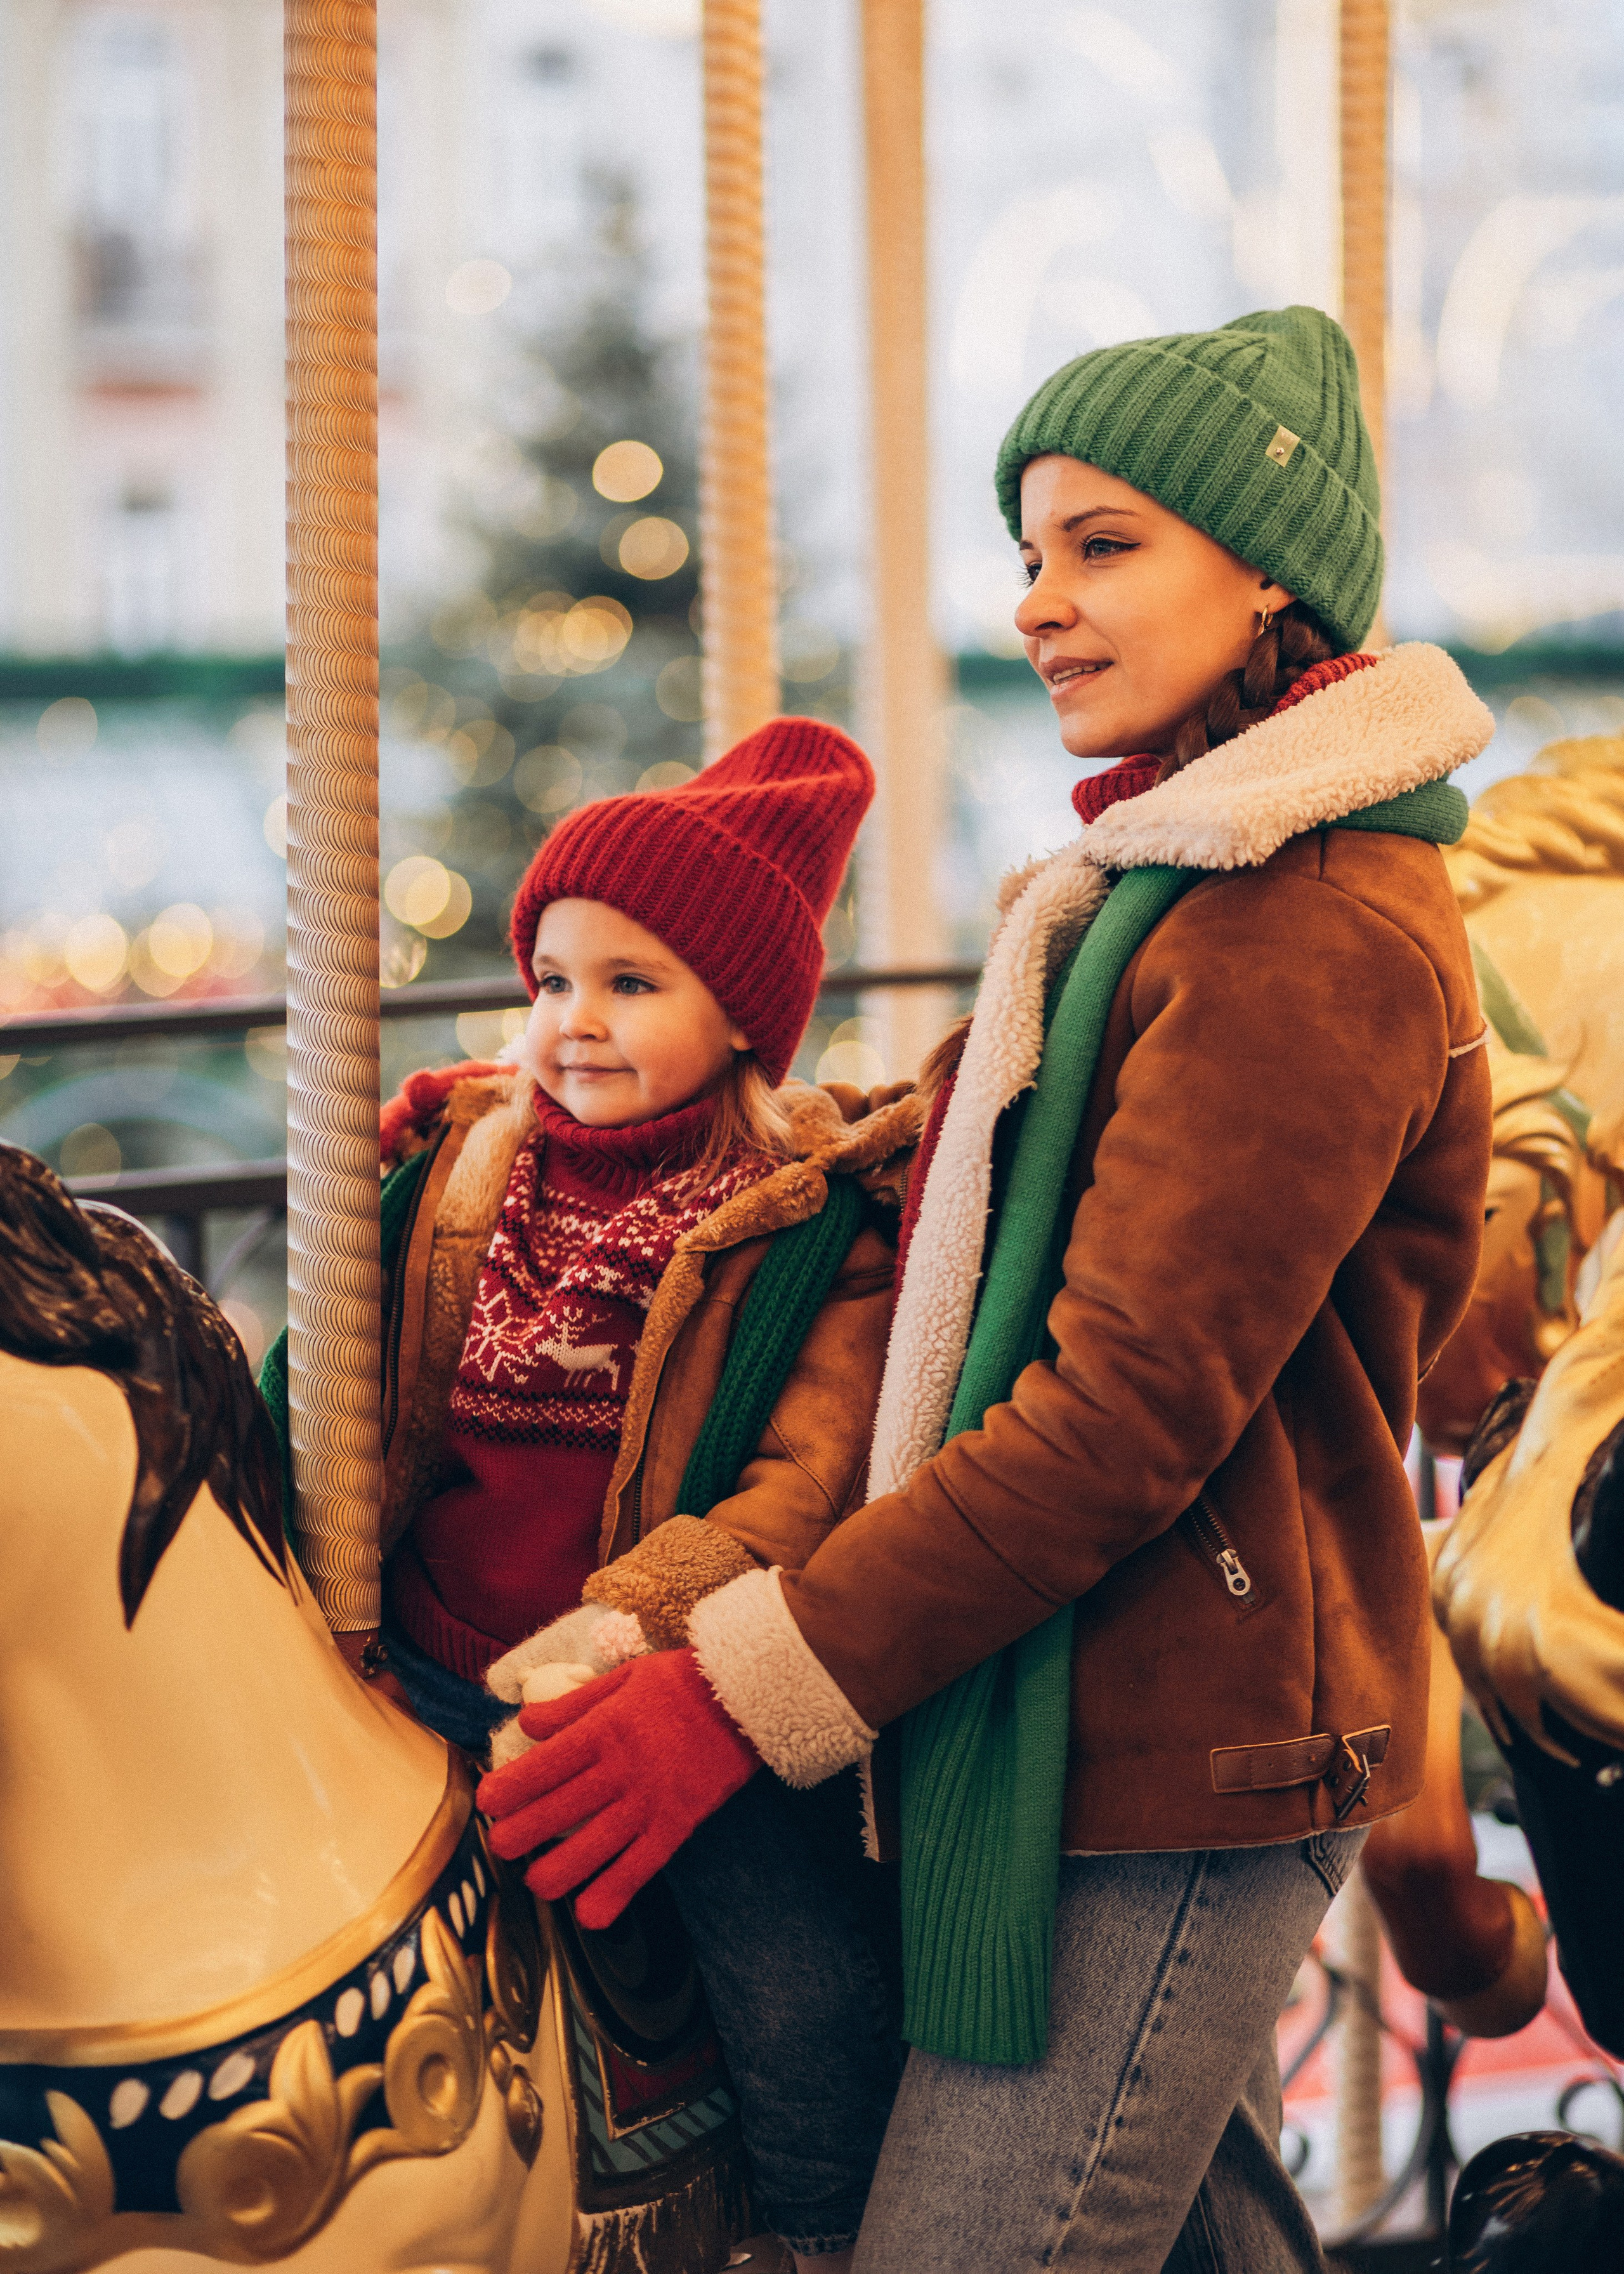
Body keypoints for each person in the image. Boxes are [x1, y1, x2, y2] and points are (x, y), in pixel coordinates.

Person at [480, 306, 1498, 2271]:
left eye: (1102, 546)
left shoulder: (1302, 925)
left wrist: (739, 1693)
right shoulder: (1167, 886)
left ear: (1269, 572)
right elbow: (970, 1168)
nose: (1039, 603)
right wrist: (562, 1104)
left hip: (1188, 1722)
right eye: (1029, 554)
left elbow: (1120, 1412)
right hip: (1083, 1691)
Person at [264, 716, 919, 2271]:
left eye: (633, 985)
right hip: (416, 1648)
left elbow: (798, 1488)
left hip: (641, 1688)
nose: (575, 1022)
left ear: (742, 1016)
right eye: (554, 980)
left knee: (794, 1971)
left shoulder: (803, 1229)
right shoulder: (470, 1173)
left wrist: (623, 1629)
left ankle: (824, 2225)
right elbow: (333, 1382)